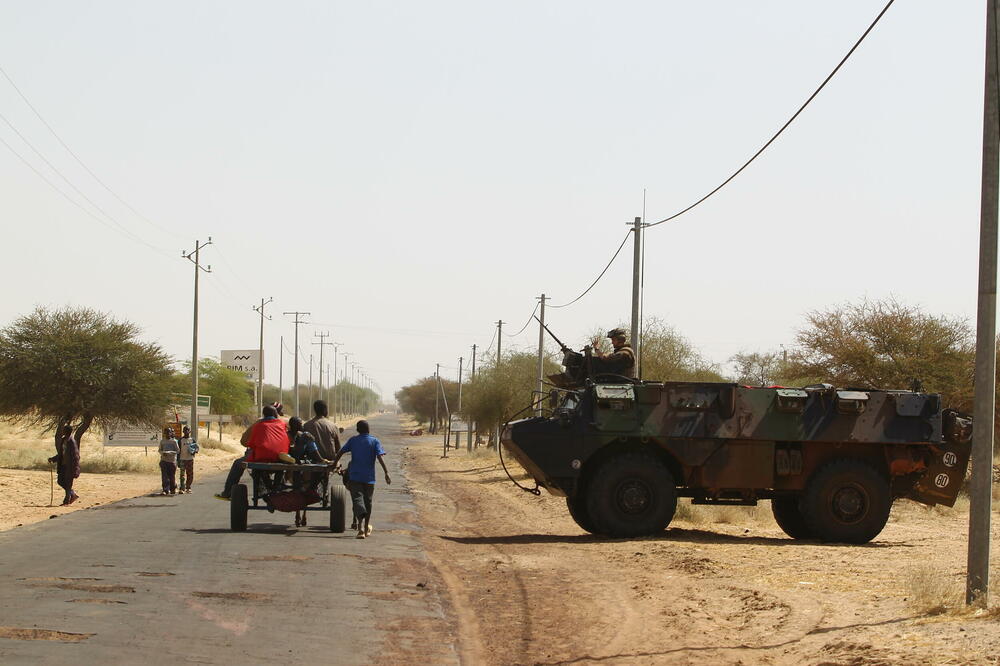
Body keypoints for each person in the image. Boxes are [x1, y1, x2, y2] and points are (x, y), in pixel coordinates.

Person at [331, 420, 391, 539]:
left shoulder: (353, 440)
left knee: (357, 499)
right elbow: (379, 457)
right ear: (368, 429)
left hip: (355, 477)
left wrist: (334, 464)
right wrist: (386, 472)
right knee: (368, 502)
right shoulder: (374, 441)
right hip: (369, 478)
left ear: (358, 430)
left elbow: (341, 452)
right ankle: (366, 526)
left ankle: (361, 528)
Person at [215, 405, 288, 500]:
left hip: (262, 457)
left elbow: (244, 442)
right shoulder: (283, 423)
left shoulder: (258, 425)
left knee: (238, 463)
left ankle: (227, 492)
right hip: (281, 457)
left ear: (264, 414)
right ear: (276, 414)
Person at [48, 424, 80, 506]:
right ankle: (72, 494)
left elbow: (76, 456)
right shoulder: (63, 440)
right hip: (63, 465)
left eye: (64, 430)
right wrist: (53, 459)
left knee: (68, 483)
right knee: (60, 481)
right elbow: (61, 454)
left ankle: (67, 501)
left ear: (67, 432)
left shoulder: (71, 442)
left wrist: (75, 468)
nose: (62, 431)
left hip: (70, 466)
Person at [158, 428, 180, 496]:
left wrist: (170, 452)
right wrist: (162, 453)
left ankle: (172, 489)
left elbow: (178, 451)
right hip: (164, 460)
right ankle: (165, 489)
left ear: (171, 433)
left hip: (172, 461)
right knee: (164, 476)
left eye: (169, 432)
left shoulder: (174, 442)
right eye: (166, 432)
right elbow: (159, 450)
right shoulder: (162, 441)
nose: (168, 434)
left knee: (171, 476)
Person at [177, 426, 199, 494]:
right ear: (183, 432)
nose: (186, 432)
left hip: (190, 459)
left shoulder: (192, 440)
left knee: (190, 474)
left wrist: (195, 451)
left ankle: (188, 487)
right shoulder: (180, 440)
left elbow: (197, 448)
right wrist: (177, 460)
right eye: (185, 430)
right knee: (182, 475)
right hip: (182, 459)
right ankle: (182, 488)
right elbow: (178, 451)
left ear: (190, 431)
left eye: (188, 430)